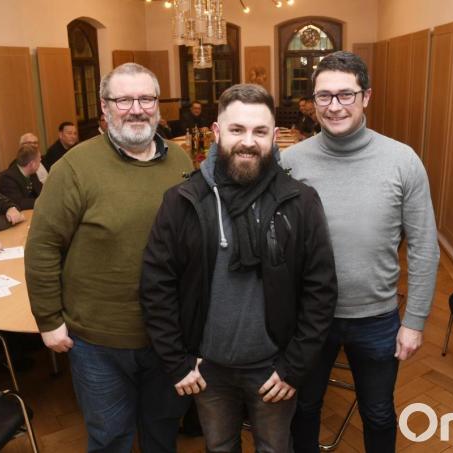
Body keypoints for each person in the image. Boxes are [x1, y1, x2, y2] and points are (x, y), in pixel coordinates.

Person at [140, 83, 339, 452]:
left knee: (275, 448)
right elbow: (157, 286)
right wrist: (177, 362)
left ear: (273, 136)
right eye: (237, 130)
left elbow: (320, 290)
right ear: (217, 132)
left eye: (259, 131)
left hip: (274, 370)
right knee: (219, 448)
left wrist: (294, 367)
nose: (248, 141)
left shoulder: (300, 201)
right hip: (207, 369)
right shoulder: (182, 201)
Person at [25, 62, 194, 453]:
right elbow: (43, 246)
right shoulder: (74, 168)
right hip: (97, 342)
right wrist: (49, 320)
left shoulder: (181, 162)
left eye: (146, 98)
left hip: (169, 337)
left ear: (158, 104)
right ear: (105, 108)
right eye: (123, 99)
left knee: (162, 431)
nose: (136, 108)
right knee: (109, 437)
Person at [281, 50, 440, 453]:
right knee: (304, 409)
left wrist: (416, 320)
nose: (334, 106)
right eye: (324, 96)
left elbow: (423, 245)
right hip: (309, 318)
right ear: (313, 100)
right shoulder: (288, 163)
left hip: (376, 318)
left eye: (346, 95)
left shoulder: (402, 161)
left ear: (366, 97)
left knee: (379, 412)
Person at [0, 144, 43, 210]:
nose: (40, 164)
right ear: (32, 164)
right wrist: (43, 201)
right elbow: (19, 203)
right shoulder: (7, 179)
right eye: (39, 161)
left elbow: (41, 192)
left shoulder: (32, 173)